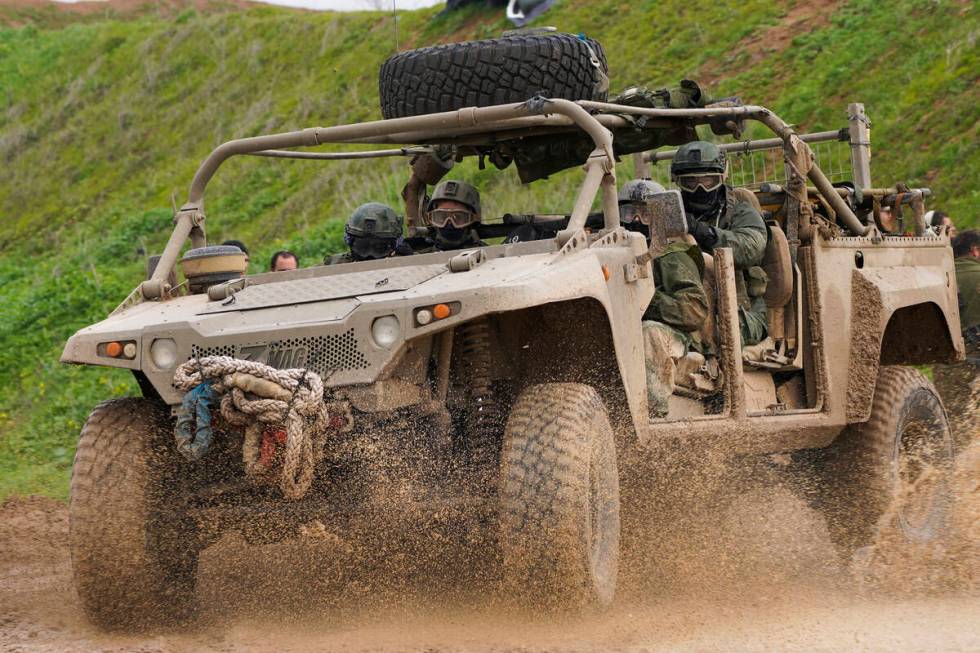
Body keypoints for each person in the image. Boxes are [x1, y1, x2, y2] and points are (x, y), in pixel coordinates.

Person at [620, 179, 710, 417]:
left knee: (649, 332)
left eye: (646, 214)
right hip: (631, 333)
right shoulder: (618, 255)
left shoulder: (672, 255)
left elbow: (695, 311)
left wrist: (647, 298)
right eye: (629, 213)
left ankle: (654, 414)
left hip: (677, 337)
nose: (637, 221)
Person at [671, 141, 768, 346]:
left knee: (709, 335)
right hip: (685, 307)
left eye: (707, 180)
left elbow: (751, 248)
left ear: (722, 176)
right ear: (677, 181)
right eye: (690, 181)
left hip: (742, 313)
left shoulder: (740, 212)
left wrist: (703, 232)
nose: (699, 188)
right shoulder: (672, 210)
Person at [933, 230, 980, 450]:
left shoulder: (936, 277)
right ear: (975, 250)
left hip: (947, 365)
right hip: (976, 362)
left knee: (954, 428)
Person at [324, 203, 412, 265]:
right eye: (363, 247)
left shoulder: (412, 266)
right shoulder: (334, 267)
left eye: (379, 248)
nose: (370, 256)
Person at [417, 180, 485, 252]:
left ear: (472, 220)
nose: (449, 223)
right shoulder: (420, 258)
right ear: (432, 219)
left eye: (458, 217)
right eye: (442, 217)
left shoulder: (491, 255)